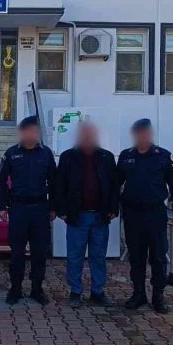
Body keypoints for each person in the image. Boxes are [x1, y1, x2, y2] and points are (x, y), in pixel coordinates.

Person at [117, 118, 173, 314]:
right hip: (132, 215)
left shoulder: (163, 155)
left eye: (145, 133)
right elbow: (115, 184)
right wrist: (113, 207)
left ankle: (158, 296)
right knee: (136, 256)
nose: (142, 136)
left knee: (158, 257)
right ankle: (138, 293)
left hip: (155, 214)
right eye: (138, 133)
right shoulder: (126, 156)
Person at [0, 115, 57, 306]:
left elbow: (55, 183)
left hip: (40, 210)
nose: (31, 134)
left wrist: (54, 207)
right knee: (17, 253)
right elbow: (0, 183)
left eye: (34, 131)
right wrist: (1, 207)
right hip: (19, 209)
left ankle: (37, 289)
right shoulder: (11, 154)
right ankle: (15, 289)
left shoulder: (46, 154)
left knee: (40, 253)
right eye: (28, 130)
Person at [55, 122, 118, 308]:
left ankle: (98, 291)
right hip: (77, 216)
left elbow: (114, 185)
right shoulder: (68, 157)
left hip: (100, 216)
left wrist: (114, 208)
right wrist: (62, 211)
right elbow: (59, 185)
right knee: (75, 256)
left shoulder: (106, 157)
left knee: (98, 256)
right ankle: (75, 291)